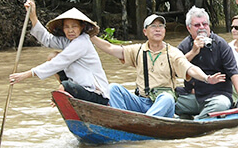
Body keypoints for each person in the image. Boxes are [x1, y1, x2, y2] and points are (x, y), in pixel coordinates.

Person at [90, 14, 224, 118]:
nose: (158, 29)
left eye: (161, 26)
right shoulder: (137, 50)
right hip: (142, 101)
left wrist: (206, 78)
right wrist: (91, 36)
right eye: (153, 26)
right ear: (145, 31)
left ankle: (144, 123)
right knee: (113, 88)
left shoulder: (172, 52)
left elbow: (190, 68)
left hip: (162, 104)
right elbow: (110, 48)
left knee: (167, 98)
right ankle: (120, 120)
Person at [9, 2, 109, 105]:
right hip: (80, 87)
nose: (70, 30)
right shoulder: (68, 41)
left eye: (74, 26)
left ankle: (64, 91)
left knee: (64, 85)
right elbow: (47, 39)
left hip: (96, 94)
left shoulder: (82, 42)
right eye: (66, 27)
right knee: (52, 56)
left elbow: (59, 62)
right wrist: (33, 16)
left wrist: (26, 74)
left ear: (82, 27)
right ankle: (65, 92)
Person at [176, 7, 238, 119]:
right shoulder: (184, 45)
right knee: (167, 99)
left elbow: (234, 72)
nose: (202, 28)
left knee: (221, 105)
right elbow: (174, 70)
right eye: (197, 25)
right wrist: (193, 52)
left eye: (205, 24)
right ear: (189, 28)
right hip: (192, 97)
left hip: (217, 96)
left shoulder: (221, 44)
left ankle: (195, 122)